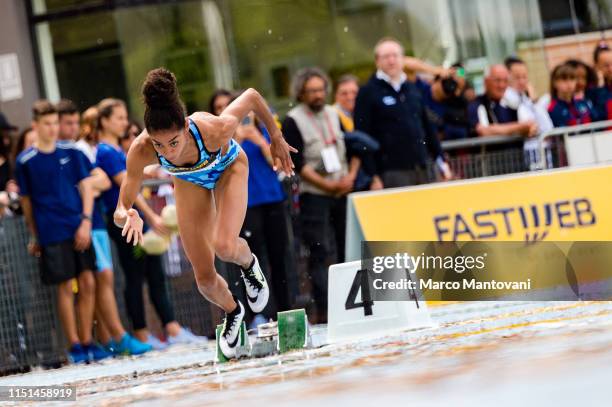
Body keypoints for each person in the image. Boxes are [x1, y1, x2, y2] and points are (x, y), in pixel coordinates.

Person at [113, 68, 296, 359]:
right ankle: (234, 312)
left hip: (229, 167)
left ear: (185, 127)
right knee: (204, 279)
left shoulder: (214, 128)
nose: (168, 152)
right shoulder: (141, 149)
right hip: (188, 181)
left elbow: (250, 96)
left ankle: (248, 263)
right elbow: (121, 207)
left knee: (224, 246)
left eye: (174, 142)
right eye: (160, 146)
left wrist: (275, 136)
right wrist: (127, 213)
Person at [95, 98, 201, 349]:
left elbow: (136, 176)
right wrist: (152, 217)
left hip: (139, 220)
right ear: (104, 121)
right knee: (135, 276)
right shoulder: (105, 151)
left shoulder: (119, 150)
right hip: (126, 220)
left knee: (153, 272)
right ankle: (142, 334)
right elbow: (127, 188)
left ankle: (170, 328)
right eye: (119, 118)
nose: (124, 122)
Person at [15, 100, 109, 363]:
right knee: (66, 287)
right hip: (51, 232)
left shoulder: (72, 152)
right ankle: (75, 346)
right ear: (36, 126)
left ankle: (89, 341)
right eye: (47, 123)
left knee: (89, 281)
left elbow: (87, 187)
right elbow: (27, 204)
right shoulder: (26, 161)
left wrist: (86, 222)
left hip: (78, 225)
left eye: (55, 122)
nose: (53, 128)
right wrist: (35, 234)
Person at [57, 99, 152, 356]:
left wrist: (84, 184)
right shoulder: (79, 151)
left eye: (76, 122)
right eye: (69, 122)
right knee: (93, 281)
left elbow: (101, 182)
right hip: (82, 224)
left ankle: (107, 338)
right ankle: (110, 339)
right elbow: (93, 183)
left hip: (93, 223)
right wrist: (84, 185)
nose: (75, 127)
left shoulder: (83, 151)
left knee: (100, 279)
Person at [283, 67, 358, 322]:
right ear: (301, 93)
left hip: (341, 190)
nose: (317, 95)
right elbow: (298, 164)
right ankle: (326, 309)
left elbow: (348, 148)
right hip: (314, 194)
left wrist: (349, 178)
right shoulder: (293, 120)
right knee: (319, 251)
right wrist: (327, 186)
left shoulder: (333, 114)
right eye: (311, 91)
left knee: (346, 247)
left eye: (320, 90)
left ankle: (353, 303)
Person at [354, 37, 451, 188]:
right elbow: (362, 135)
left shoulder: (412, 88)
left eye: (395, 56)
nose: (391, 61)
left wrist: (441, 161)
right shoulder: (368, 92)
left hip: (422, 167)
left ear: (402, 59)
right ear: (377, 61)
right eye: (386, 57)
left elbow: (427, 127)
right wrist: (372, 175)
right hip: (390, 171)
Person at [468, 64, 538, 138]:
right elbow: (483, 131)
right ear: (486, 82)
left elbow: (531, 126)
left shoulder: (512, 104)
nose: (502, 85)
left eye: (505, 81)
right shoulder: (476, 104)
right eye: (497, 80)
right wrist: (519, 128)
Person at [547, 63, 594, 128]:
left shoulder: (583, 103)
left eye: (572, 78)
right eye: (564, 79)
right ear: (554, 82)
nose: (569, 83)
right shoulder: (552, 109)